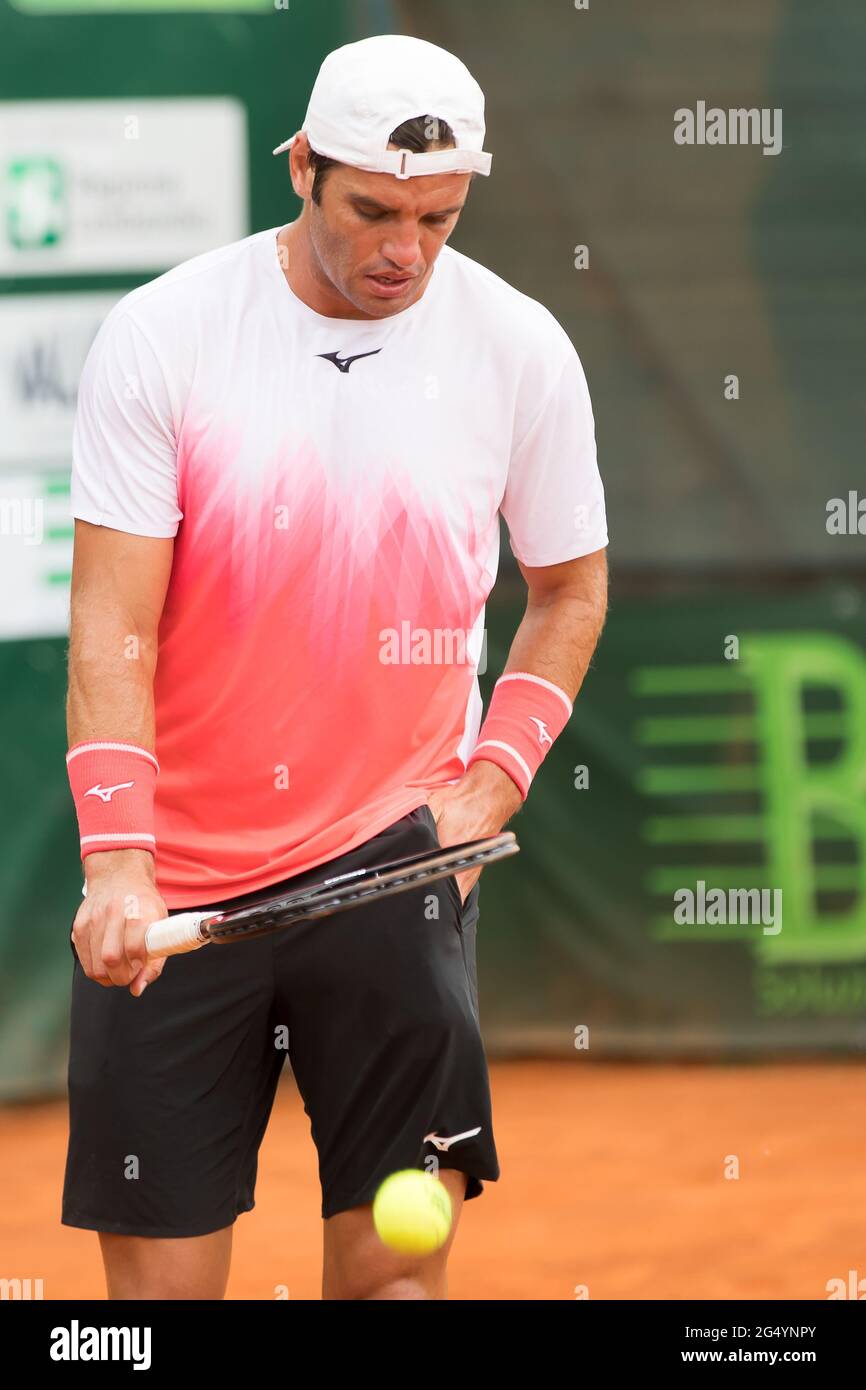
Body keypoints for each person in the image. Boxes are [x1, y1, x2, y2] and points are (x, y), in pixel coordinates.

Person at [62, 33, 608, 1300]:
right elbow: (112, 630)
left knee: (392, 1281)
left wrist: (492, 783)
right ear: (301, 167)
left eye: (437, 216)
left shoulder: (519, 348)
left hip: (392, 868)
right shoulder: (165, 337)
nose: (401, 251)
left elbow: (567, 590)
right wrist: (118, 856)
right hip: (181, 887)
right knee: (157, 1307)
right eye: (370, 208)